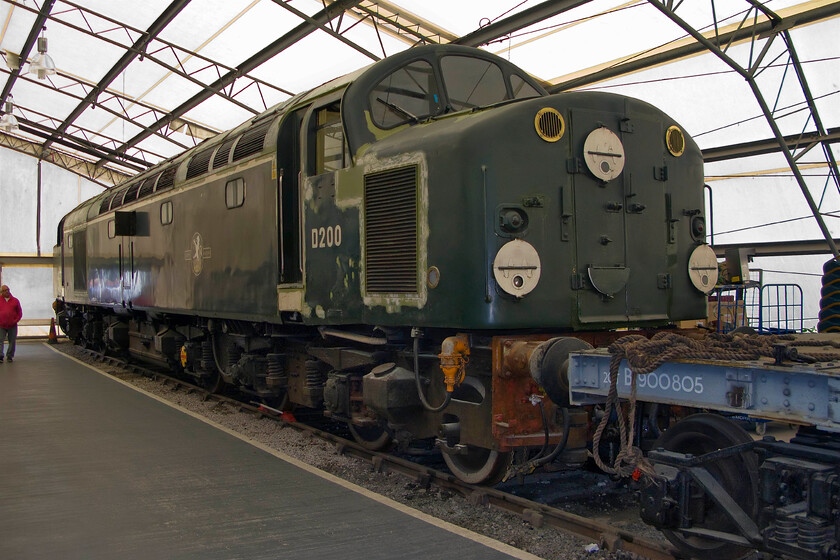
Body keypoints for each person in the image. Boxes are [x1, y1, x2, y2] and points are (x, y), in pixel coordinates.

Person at [0, 284, 23, 363]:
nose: (7, 291)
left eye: (8, 290)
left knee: (12, 341)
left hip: (12, 325)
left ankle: (10, 356)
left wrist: (15, 320)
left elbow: (19, 312)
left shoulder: (15, 301)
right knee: (0, 340)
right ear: (1, 292)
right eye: (5, 290)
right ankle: (0, 356)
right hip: (1, 325)